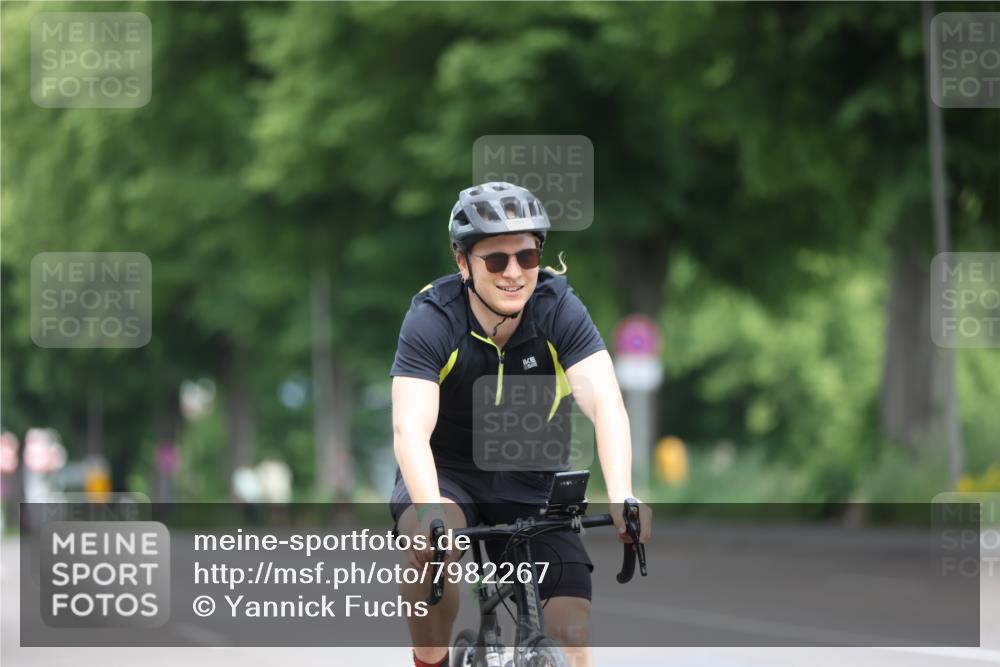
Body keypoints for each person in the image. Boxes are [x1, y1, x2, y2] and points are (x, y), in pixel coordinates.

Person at [389, 182, 652, 667]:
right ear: (463, 263)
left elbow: (607, 403)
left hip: (530, 468)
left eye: (527, 257)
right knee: (427, 558)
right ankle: (432, 659)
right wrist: (430, 515)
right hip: (446, 472)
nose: (514, 273)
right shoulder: (432, 318)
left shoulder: (557, 307)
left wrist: (623, 494)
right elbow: (410, 429)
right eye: (496, 261)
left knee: (571, 627)